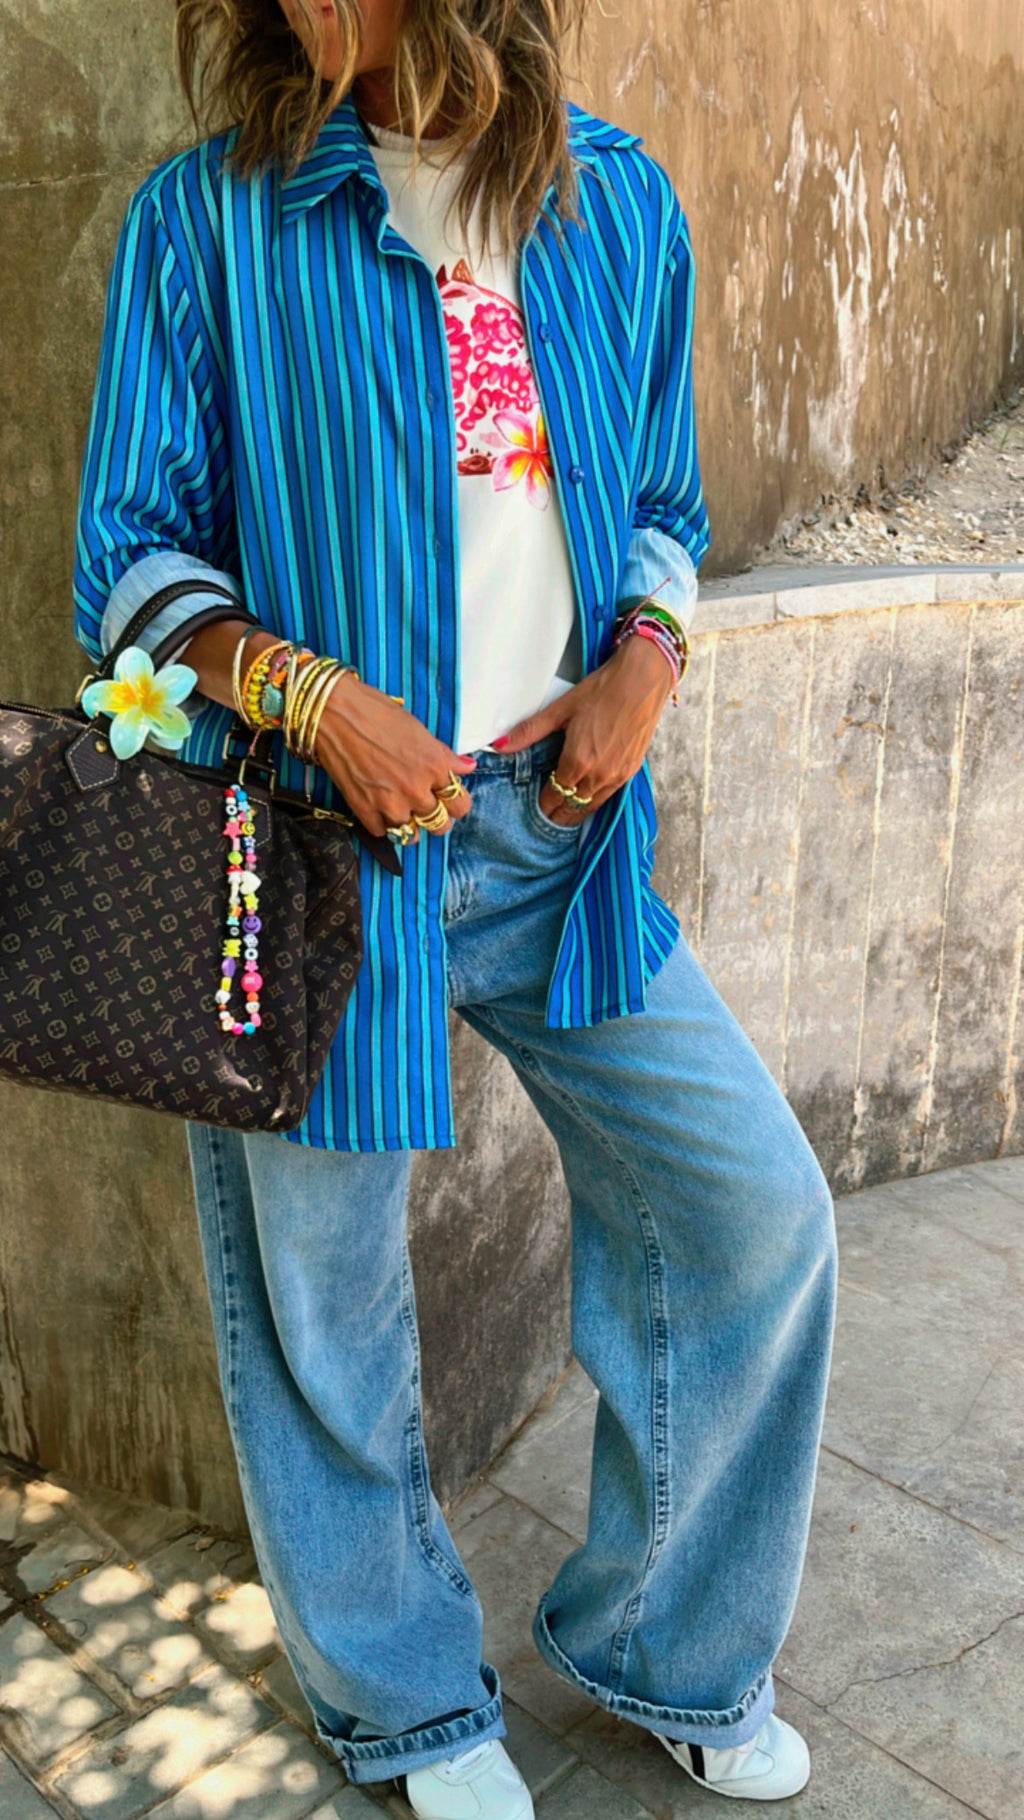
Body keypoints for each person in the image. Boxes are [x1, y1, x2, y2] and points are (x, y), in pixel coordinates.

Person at [72, 1, 838, 1812]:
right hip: (326, 861)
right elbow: (132, 556)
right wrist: (310, 697)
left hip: (564, 841)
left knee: (752, 1214)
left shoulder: (612, 201)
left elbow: (658, 490)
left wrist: (649, 654)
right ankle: (407, 1702)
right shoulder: (211, 221)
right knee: (322, 1310)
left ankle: (675, 1638)